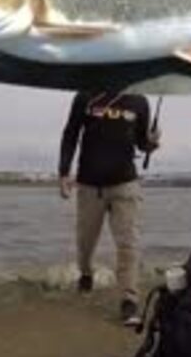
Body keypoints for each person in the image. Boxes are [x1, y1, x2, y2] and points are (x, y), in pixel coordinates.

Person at [58, 87, 161, 326]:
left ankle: (129, 300)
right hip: (89, 185)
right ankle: (86, 274)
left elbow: (141, 143)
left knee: (128, 243)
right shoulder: (86, 95)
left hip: (125, 184)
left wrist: (151, 143)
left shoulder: (139, 100)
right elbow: (71, 133)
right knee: (85, 242)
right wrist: (64, 172)